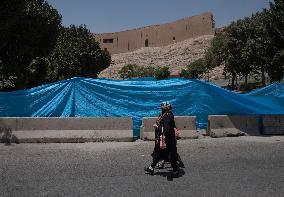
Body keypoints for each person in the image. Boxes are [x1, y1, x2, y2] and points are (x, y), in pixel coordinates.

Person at [144, 102, 180, 177]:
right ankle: (151, 167)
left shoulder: (168, 116)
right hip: (163, 139)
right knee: (158, 153)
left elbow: (166, 129)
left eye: (162, 108)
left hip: (167, 140)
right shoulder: (164, 115)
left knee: (170, 155)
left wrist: (157, 127)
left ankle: (175, 171)